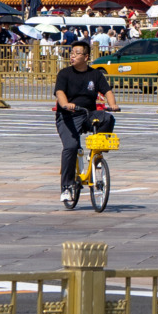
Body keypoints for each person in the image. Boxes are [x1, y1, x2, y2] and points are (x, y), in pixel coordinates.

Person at [52, 39, 115, 204]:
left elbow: (107, 91)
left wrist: (113, 105)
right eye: (71, 53)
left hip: (88, 114)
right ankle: (66, 187)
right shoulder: (64, 73)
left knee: (107, 118)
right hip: (67, 116)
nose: (72, 56)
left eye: (77, 53)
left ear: (86, 57)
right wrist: (65, 104)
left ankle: (97, 152)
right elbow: (59, 92)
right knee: (71, 147)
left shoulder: (95, 74)